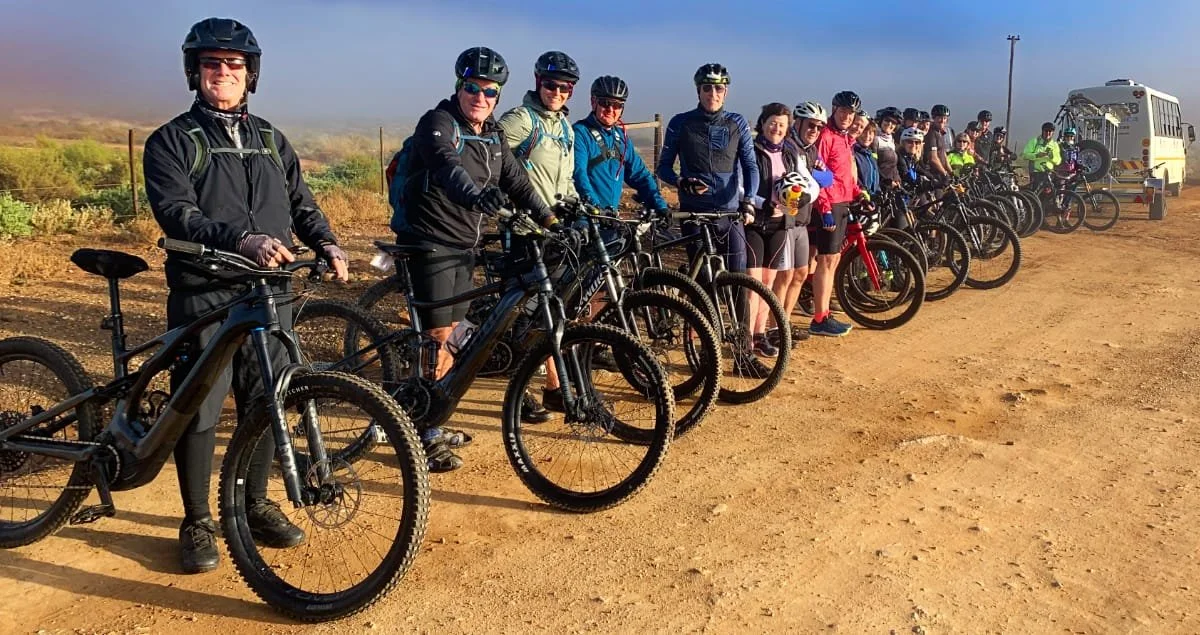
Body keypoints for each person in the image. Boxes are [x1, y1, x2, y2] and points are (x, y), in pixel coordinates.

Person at [144, 18, 349, 574]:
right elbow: (177, 213)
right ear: (195, 71)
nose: (224, 73)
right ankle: (196, 521)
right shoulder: (172, 140)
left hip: (268, 293)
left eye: (235, 65)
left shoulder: (269, 139)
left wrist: (326, 241)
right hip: (205, 291)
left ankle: (255, 504)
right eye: (213, 64)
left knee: (267, 400)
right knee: (199, 410)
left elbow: (300, 202)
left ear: (250, 75)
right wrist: (240, 238)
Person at [397, 46, 557, 469]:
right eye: (473, 88)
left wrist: (550, 218)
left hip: (465, 245)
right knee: (436, 335)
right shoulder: (438, 122)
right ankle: (425, 432)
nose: (480, 98)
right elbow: (449, 169)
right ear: (459, 87)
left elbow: (518, 182)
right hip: (429, 240)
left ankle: (433, 411)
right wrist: (477, 196)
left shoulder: (493, 136)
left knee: (453, 334)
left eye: (490, 92)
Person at [498, 50, 583, 414]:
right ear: (537, 83)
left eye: (566, 88)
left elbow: (565, 179)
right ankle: (520, 390)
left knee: (553, 309)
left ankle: (553, 384)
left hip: (554, 231)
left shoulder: (564, 126)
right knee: (521, 312)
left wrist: (580, 211)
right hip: (525, 229)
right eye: (551, 85)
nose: (558, 92)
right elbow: (491, 153)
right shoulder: (521, 120)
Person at [656, 63, 758, 276]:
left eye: (718, 88)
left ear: (726, 92)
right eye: (707, 88)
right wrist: (680, 182)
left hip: (729, 213)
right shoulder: (681, 122)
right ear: (698, 91)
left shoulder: (736, 122)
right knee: (702, 277)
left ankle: (737, 312)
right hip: (694, 212)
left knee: (739, 275)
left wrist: (748, 201)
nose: (713, 94)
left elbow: (750, 166)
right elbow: (663, 167)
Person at [748, 103, 815, 355]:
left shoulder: (789, 153)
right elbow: (741, 188)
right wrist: (761, 202)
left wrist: (801, 199)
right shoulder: (752, 151)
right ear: (763, 123)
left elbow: (803, 182)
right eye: (772, 123)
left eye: (782, 125)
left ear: (787, 129)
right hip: (754, 223)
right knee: (753, 284)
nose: (776, 128)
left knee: (769, 282)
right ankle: (746, 341)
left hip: (779, 224)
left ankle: (760, 334)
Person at [809, 90, 867, 337]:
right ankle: (820, 318)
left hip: (842, 202)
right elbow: (817, 173)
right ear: (834, 109)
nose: (847, 116)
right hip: (828, 205)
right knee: (826, 260)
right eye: (843, 111)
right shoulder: (826, 136)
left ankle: (824, 312)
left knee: (833, 260)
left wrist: (858, 192)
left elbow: (842, 174)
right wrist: (824, 209)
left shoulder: (844, 138)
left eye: (850, 113)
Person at [572, 76, 667, 213]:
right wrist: (594, 207)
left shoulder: (621, 137)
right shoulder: (580, 133)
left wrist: (660, 205)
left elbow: (640, 174)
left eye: (617, 105)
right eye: (605, 103)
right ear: (593, 102)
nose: (611, 109)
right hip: (587, 217)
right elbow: (579, 174)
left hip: (611, 218)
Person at [780, 101, 833, 335]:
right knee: (785, 276)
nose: (815, 130)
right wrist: (815, 179)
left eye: (819, 127)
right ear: (798, 123)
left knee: (801, 273)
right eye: (811, 125)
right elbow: (798, 184)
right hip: (786, 220)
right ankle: (775, 326)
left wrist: (814, 178)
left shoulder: (810, 150)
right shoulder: (788, 148)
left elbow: (827, 178)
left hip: (803, 219)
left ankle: (785, 322)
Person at [1022, 122, 1061, 194]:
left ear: (1053, 133)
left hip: (1049, 173)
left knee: (1048, 194)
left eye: (1050, 131)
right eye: (1046, 131)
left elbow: (1058, 161)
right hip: (1036, 172)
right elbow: (1024, 155)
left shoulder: (1054, 144)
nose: (1048, 133)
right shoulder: (1034, 141)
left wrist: (1052, 157)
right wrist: (1036, 155)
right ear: (1042, 131)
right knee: (1035, 193)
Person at [874, 107, 902, 188]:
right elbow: (874, 165)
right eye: (887, 120)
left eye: (893, 122)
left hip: (892, 185)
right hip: (880, 184)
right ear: (881, 121)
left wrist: (897, 179)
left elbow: (893, 166)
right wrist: (886, 181)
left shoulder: (891, 141)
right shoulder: (876, 139)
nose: (890, 124)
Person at [924, 104, 952, 178]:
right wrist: (945, 173)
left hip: (941, 173)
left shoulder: (940, 133)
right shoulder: (931, 133)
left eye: (945, 118)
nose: (943, 121)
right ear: (933, 118)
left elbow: (944, 155)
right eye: (940, 118)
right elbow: (933, 158)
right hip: (933, 174)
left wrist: (951, 172)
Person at [854, 120, 881, 196]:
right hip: (860, 198)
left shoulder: (870, 155)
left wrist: (878, 191)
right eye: (864, 132)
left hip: (872, 198)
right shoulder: (853, 153)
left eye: (870, 133)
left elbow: (875, 176)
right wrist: (863, 191)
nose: (867, 136)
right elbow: (854, 177)